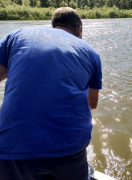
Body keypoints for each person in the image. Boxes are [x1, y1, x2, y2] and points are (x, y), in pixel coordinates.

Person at [0, 7, 102, 180]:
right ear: (79, 30)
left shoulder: (16, 36)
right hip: (69, 148)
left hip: (13, 146)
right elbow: (92, 103)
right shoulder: (91, 52)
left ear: (54, 24)